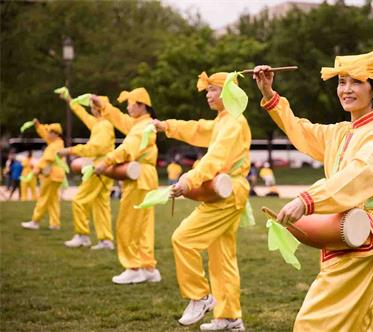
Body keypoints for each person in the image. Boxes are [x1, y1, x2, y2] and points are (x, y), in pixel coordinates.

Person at [253, 50, 373, 331]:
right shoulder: (343, 132)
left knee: (313, 324)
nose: (346, 89)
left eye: (356, 82)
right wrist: (269, 94)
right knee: (359, 325)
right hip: (347, 233)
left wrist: (308, 200)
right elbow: (301, 131)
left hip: (363, 236)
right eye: (342, 82)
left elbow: (356, 175)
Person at [152, 71, 250, 331]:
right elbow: (196, 128)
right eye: (208, 90)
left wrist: (188, 180)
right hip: (227, 190)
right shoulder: (223, 120)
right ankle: (229, 316)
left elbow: (215, 158)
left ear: (228, 93)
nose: (208, 94)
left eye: (213, 90)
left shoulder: (233, 123)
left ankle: (200, 296)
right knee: (222, 258)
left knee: (183, 239)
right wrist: (168, 126)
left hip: (227, 192)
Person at [93, 87, 160, 284]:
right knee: (143, 226)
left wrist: (105, 162)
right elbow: (120, 119)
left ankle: (133, 267)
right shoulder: (140, 123)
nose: (129, 108)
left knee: (127, 224)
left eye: (132, 105)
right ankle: (148, 267)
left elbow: (126, 148)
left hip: (139, 178)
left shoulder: (142, 127)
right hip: (147, 177)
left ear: (142, 106)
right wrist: (103, 104)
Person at [58, 92, 115, 250]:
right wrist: (70, 100)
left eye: (92, 106)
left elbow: (95, 148)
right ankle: (105, 241)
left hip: (98, 169)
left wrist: (69, 151)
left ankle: (82, 236)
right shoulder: (100, 124)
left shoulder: (103, 126)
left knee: (79, 200)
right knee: (101, 205)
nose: (90, 109)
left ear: (98, 109)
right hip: (104, 169)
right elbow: (81, 114)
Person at [21, 120, 65, 230]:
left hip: (51, 175)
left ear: (55, 134)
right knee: (53, 200)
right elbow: (45, 135)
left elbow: (47, 160)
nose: (48, 134)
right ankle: (55, 224)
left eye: (50, 132)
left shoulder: (54, 146)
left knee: (43, 198)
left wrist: (37, 169)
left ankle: (35, 221)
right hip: (57, 176)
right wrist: (38, 126)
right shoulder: (57, 142)